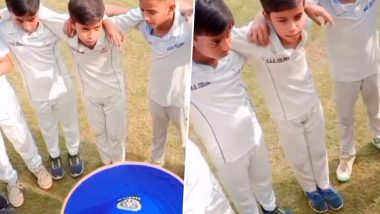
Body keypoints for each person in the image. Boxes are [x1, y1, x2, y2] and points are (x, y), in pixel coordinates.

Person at [232, 0, 343, 212]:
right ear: (268, 15)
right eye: (282, 20)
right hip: (285, 115)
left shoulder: (305, 22)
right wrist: (258, 20)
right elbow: (218, 32)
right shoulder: (255, 39)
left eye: (297, 17)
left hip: (312, 104)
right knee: (299, 156)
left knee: (318, 149)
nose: (292, 27)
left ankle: (324, 185)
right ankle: (310, 189)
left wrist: (308, 7)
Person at [190, 0, 292, 213]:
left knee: (264, 181)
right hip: (227, 154)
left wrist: (259, 19)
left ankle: (271, 209)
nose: (227, 46)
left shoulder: (235, 51)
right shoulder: (184, 72)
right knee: (243, 197)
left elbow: (275, 17)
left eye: (229, 34)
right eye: (215, 41)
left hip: (254, 135)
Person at [0, 0, 83, 180]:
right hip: (36, 92)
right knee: (47, 127)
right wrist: (6, 14)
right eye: (19, 20)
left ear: (39, 10)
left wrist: (107, 22)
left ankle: (74, 151)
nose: (27, 27)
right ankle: (54, 156)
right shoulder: (4, 28)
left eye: (31, 19)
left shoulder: (53, 23)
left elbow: (87, 17)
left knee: (69, 123)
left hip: (62, 86)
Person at [108, 0, 191, 166]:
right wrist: (106, 22)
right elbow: (107, 10)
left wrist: (187, 6)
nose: (146, 17)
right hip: (156, 94)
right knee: (158, 135)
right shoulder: (144, 21)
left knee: (187, 143)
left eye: (151, 12)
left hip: (181, 100)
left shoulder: (187, 25)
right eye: (142, 10)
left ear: (171, 8)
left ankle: (190, 173)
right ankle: (156, 163)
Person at [305, 0, 380, 183]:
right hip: (344, 74)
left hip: (373, 67)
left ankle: (378, 136)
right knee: (346, 118)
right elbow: (293, 4)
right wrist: (306, 6)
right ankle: (347, 153)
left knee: (377, 110)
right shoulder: (323, 2)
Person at [0, 38, 52, 207]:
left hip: (3, 100)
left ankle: (36, 166)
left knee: (19, 134)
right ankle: (10, 180)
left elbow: (7, 64)